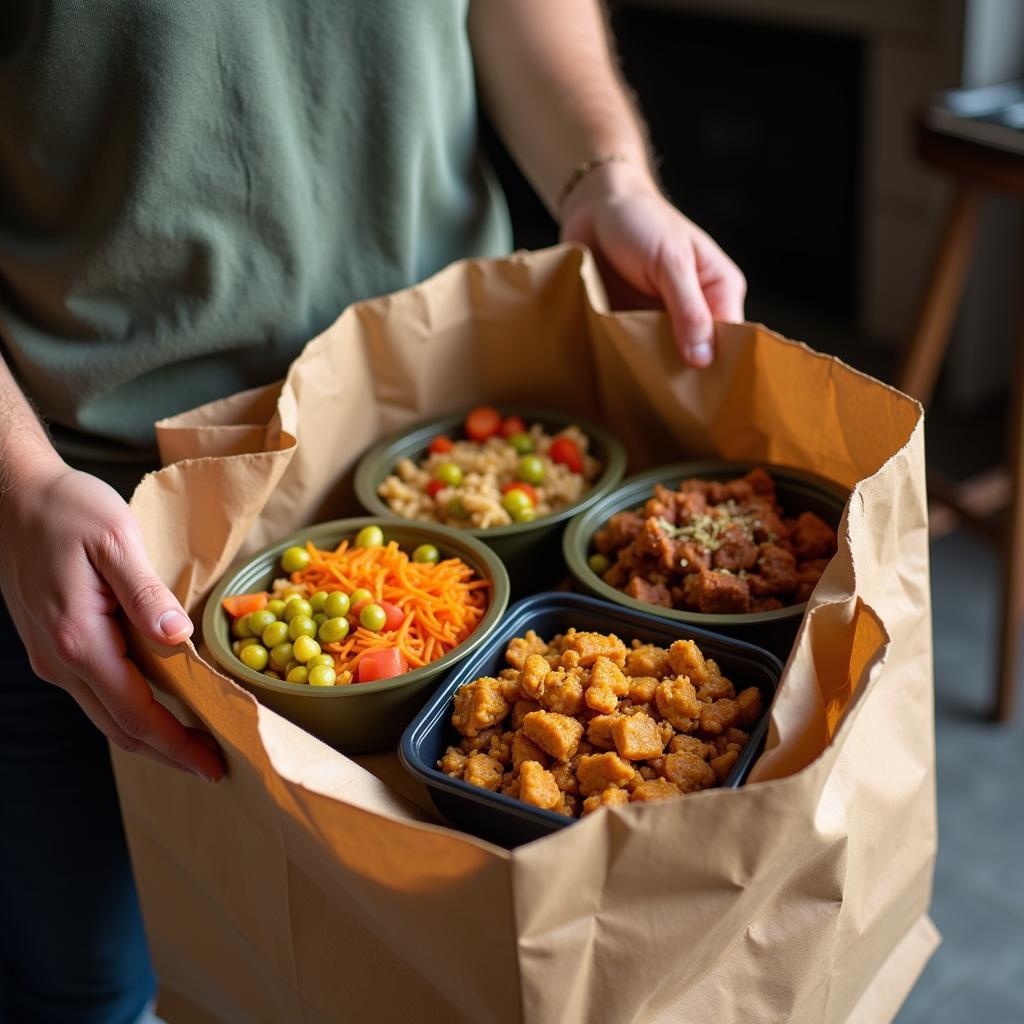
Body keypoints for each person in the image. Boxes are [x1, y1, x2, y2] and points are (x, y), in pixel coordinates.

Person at [0, 2, 745, 1020]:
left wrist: (603, 173)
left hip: (438, 450)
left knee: (447, 976)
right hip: (87, 522)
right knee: (87, 983)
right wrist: (16, 482)